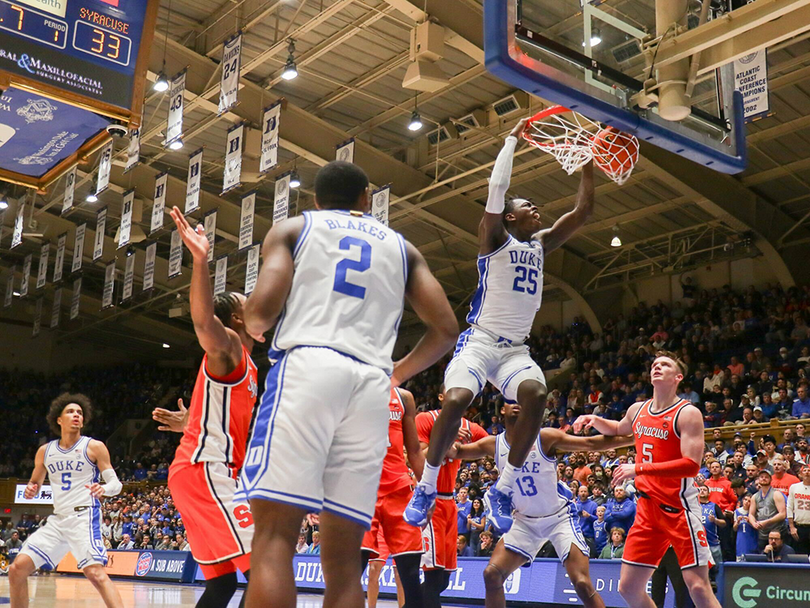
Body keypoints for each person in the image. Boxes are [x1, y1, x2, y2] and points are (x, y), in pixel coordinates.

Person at [235, 160, 458, 608]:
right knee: (343, 562)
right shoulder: (403, 247)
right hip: (373, 387)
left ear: (316, 200)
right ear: (365, 199)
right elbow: (447, 330)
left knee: (275, 539)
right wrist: (397, 372)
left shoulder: (294, 228)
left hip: (309, 367)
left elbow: (258, 314)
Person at [405, 117, 596, 534]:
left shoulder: (541, 243)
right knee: (454, 401)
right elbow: (496, 190)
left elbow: (582, 212)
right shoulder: (494, 239)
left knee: (538, 394)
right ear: (508, 218)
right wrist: (511, 140)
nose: (536, 210)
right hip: (480, 341)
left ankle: (503, 489)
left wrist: (586, 161)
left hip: (515, 350)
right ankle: (425, 485)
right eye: (527, 207)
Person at [152, 207, 258, 608]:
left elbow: (219, 411)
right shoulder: (228, 343)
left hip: (202, 468)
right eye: (251, 304)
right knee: (264, 568)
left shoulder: (248, 367)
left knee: (222, 585)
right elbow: (201, 323)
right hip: (207, 469)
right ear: (235, 318)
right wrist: (200, 260)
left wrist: (190, 421)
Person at [448, 401, 633, 608]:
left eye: (523, 400)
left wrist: (635, 437)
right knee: (491, 574)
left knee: (581, 583)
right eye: (512, 400)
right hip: (524, 521)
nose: (518, 403)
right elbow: (455, 452)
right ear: (502, 409)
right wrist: (452, 440)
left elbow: (591, 443)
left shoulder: (544, 437)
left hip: (558, 518)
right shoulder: (493, 444)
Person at [574, 351, 720, 608]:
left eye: (664, 364)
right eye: (654, 364)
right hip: (647, 510)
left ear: (678, 377)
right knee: (628, 588)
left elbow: (690, 465)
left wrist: (639, 468)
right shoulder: (637, 409)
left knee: (698, 586)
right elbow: (620, 429)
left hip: (680, 509)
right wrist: (595, 419)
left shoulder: (687, 413)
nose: (657, 367)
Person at [9, 394, 124, 608]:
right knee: (17, 570)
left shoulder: (94, 446)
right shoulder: (45, 451)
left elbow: (116, 485)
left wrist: (104, 488)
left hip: (84, 516)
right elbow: (34, 483)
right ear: (58, 420)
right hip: (58, 519)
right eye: (70, 412)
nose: (76, 415)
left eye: (79, 412)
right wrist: (31, 490)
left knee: (95, 573)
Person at [415, 392, 488, 608]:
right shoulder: (425, 419)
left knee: (444, 578)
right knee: (433, 575)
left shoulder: (468, 425)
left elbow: (488, 448)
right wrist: (448, 438)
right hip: (429, 498)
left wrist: (462, 451)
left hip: (450, 502)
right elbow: (417, 456)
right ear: (441, 396)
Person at [360, 388, 425, 608]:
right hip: (360, 491)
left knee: (410, 576)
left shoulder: (404, 397)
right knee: (350, 574)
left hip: (398, 491)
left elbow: (414, 450)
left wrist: (427, 490)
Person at [748, 469, 787, 551]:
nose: (764, 478)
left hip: (776, 532)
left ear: (770, 479)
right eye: (761, 477)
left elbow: (782, 514)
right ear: (758, 479)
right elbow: (751, 514)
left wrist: (766, 522)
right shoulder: (755, 496)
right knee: (763, 558)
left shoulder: (776, 494)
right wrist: (754, 523)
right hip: (762, 533)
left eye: (766, 477)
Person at [697, 485, 725, 567]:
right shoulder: (693, 506)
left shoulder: (714, 506)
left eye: (704, 490)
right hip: (699, 544)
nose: (702, 491)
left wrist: (715, 520)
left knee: (718, 568)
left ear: (709, 493)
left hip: (713, 543)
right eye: (700, 489)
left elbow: (723, 523)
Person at [786, 464, 810, 554]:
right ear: (800, 474)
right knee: (800, 555)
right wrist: (791, 527)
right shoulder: (794, 487)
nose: (807, 473)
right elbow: (789, 507)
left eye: (809, 471)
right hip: (799, 526)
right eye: (805, 471)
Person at [734, 495, 758, 561]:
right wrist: (738, 521)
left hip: (751, 538)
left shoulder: (754, 513)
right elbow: (734, 528)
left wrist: (750, 522)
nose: (746, 502)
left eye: (749, 501)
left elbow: (757, 527)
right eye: (745, 499)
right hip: (741, 538)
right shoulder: (737, 512)